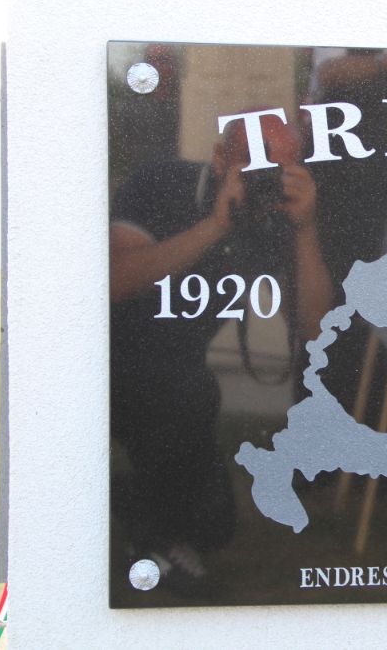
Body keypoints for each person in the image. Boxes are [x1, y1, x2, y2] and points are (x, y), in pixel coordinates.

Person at [109, 114, 333, 591]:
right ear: (218, 159)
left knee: (214, 528)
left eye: (281, 167)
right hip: (108, 364)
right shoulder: (161, 183)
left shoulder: (277, 219)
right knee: (191, 391)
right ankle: (150, 535)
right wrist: (215, 226)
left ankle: (126, 498)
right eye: (253, 161)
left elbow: (317, 332)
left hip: (178, 379)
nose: (265, 177)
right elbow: (115, 283)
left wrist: (305, 229)